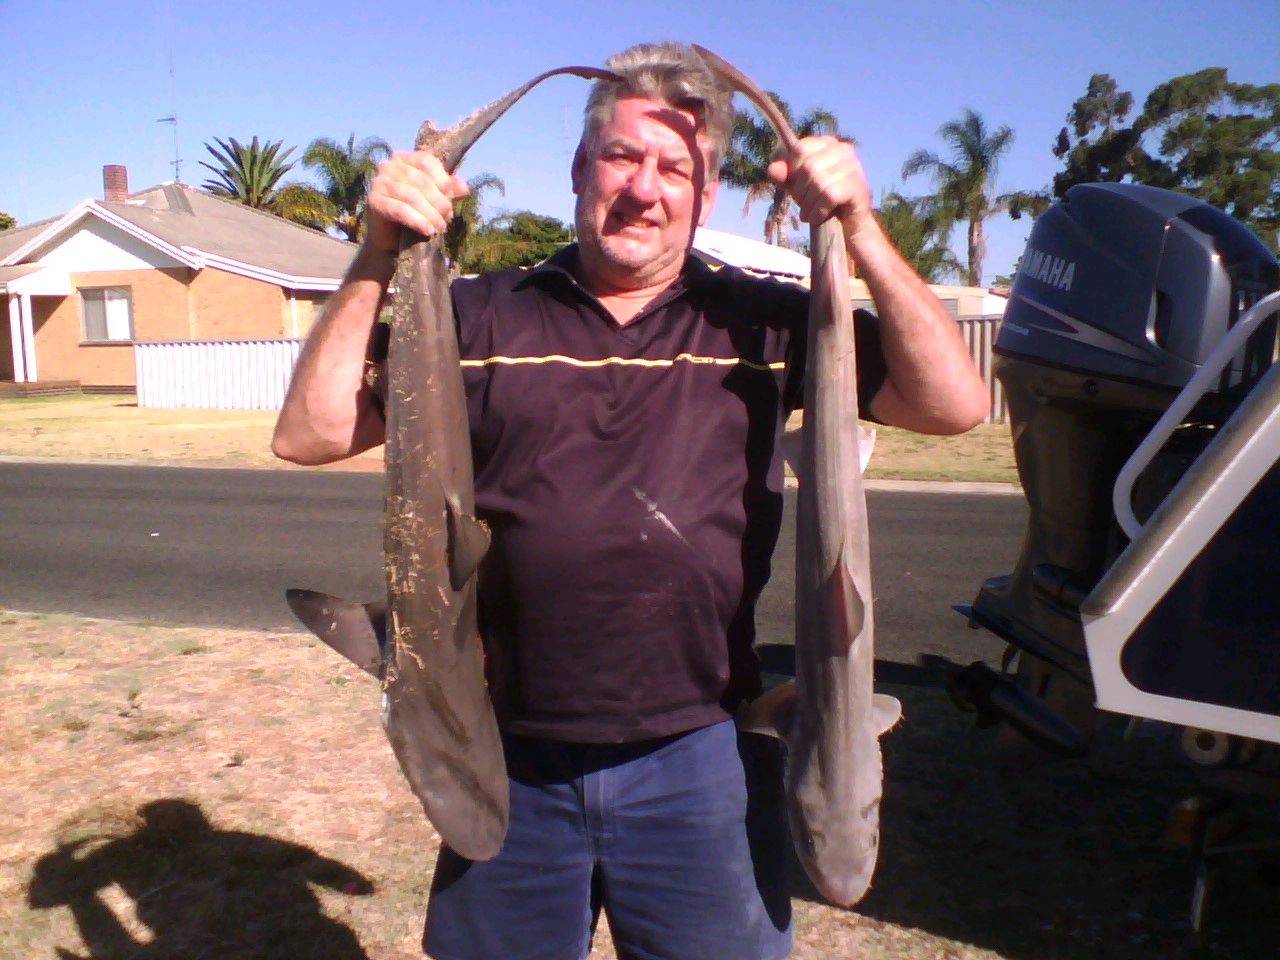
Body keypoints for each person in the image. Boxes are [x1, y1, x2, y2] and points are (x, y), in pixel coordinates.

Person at [273, 41, 988, 960]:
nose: (644, 189)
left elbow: (953, 404)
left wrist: (860, 228)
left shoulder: (762, 321)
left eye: (673, 168)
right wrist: (379, 252)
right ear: (581, 168)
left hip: (700, 758)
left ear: (706, 194)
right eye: (621, 156)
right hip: (508, 752)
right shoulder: (479, 313)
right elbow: (310, 433)